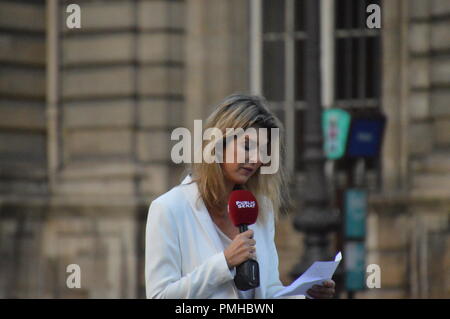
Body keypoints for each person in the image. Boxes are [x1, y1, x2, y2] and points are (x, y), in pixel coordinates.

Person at [145, 94, 336, 299]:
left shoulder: (261, 208)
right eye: (247, 146)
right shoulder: (169, 209)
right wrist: (224, 263)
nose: (255, 159)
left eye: (263, 151)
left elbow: (269, 292)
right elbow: (159, 296)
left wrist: (305, 295)